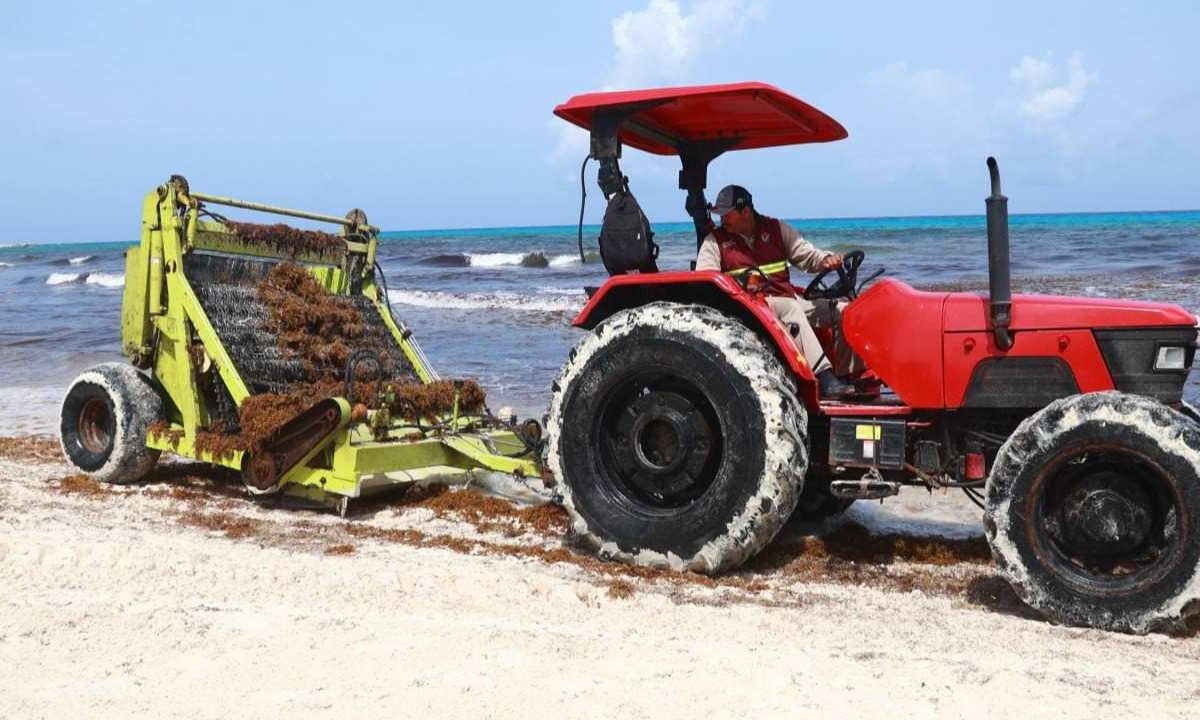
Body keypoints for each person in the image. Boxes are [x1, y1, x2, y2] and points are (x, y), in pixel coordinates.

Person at [695, 184, 863, 399]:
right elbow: (705, 283)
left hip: (785, 298)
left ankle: (850, 377)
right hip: (750, 309)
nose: (722, 220)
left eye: (727, 214)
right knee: (791, 308)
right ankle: (824, 378)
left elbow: (807, 257)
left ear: (745, 211)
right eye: (720, 215)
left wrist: (825, 260)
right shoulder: (714, 242)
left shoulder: (776, 230)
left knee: (845, 311)